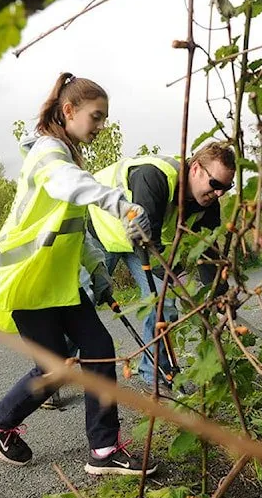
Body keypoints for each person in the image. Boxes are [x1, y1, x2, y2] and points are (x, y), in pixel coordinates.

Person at [0, 72, 157, 476]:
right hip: (28, 280)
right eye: (97, 116)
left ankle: (105, 449)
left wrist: (98, 271)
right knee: (55, 368)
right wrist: (122, 204)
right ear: (69, 110)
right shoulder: (48, 154)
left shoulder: (68, 156)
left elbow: (74, 231)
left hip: (60, 282)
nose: (101, 126)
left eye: (105, 118)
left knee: (98, 349)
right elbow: (73, 186)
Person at [86, 141, 236, 389]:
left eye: (226, 187)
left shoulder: (206, 204)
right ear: (196, 169)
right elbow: (146, 243)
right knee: (85, 303)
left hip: (143, 241)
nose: (219, 193)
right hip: (102, 233)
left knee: (164, 302)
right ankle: (53, 371)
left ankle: (152, 371)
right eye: (215, 184)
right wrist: (179, 280)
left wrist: (219, 296)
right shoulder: (154, 176)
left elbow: (207, 250)